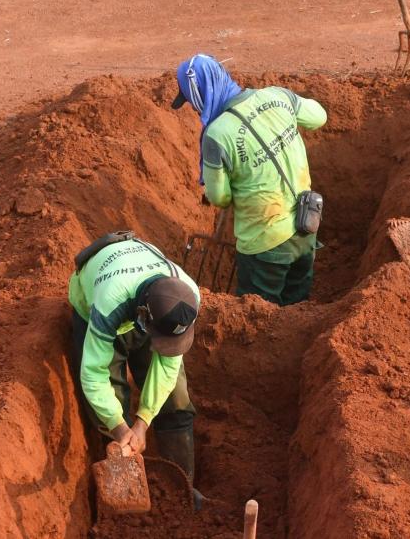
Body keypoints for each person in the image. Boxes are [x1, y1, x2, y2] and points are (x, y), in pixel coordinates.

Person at [171, 54, 328, 305]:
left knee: (260, 317)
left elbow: (219, 197)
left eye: (192, 101)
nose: (194, 108)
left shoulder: (217, 135)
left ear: (200, 94)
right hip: (307, 222)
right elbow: (319, 117)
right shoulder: (277, 96)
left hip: (264, 244)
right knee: (298, 307)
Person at [68, 231, 201, 495]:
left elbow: (168, 367)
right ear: (143, 317)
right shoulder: (109, 304)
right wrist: (121, 428)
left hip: (144, 301)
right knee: (110, 403)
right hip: (98, 305)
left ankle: (181, 491)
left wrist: (143, 422)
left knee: (175, 400)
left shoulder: (187, 295)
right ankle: (123, 493)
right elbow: (93, 375)